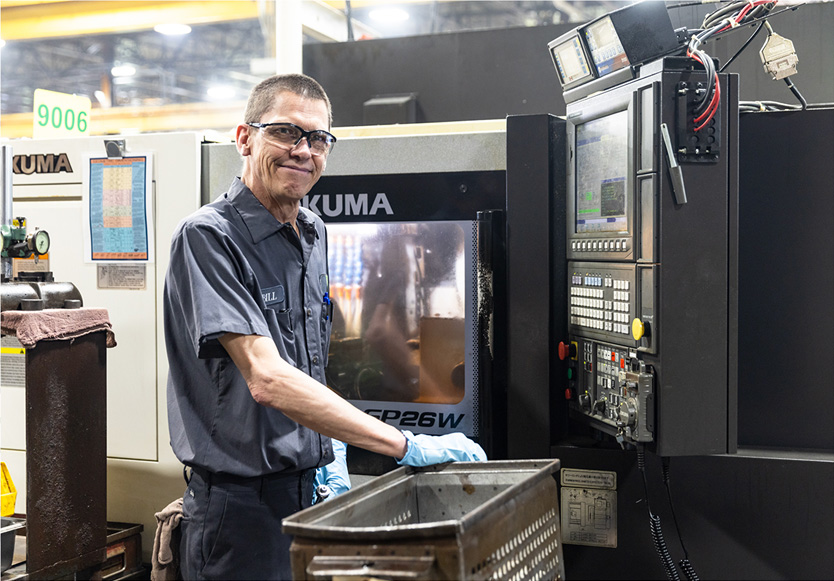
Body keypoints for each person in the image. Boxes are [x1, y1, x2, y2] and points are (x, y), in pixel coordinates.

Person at [163, 73, 486, 581]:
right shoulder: (208, 237)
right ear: (245, 138)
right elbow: (268, 378)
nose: (303, 150)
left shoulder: (312, 232)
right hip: (238, 510)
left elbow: (305, 364)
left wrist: (326, 450)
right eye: (286, 132)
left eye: (317, 139)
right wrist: (404, 445)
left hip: (307, 492)